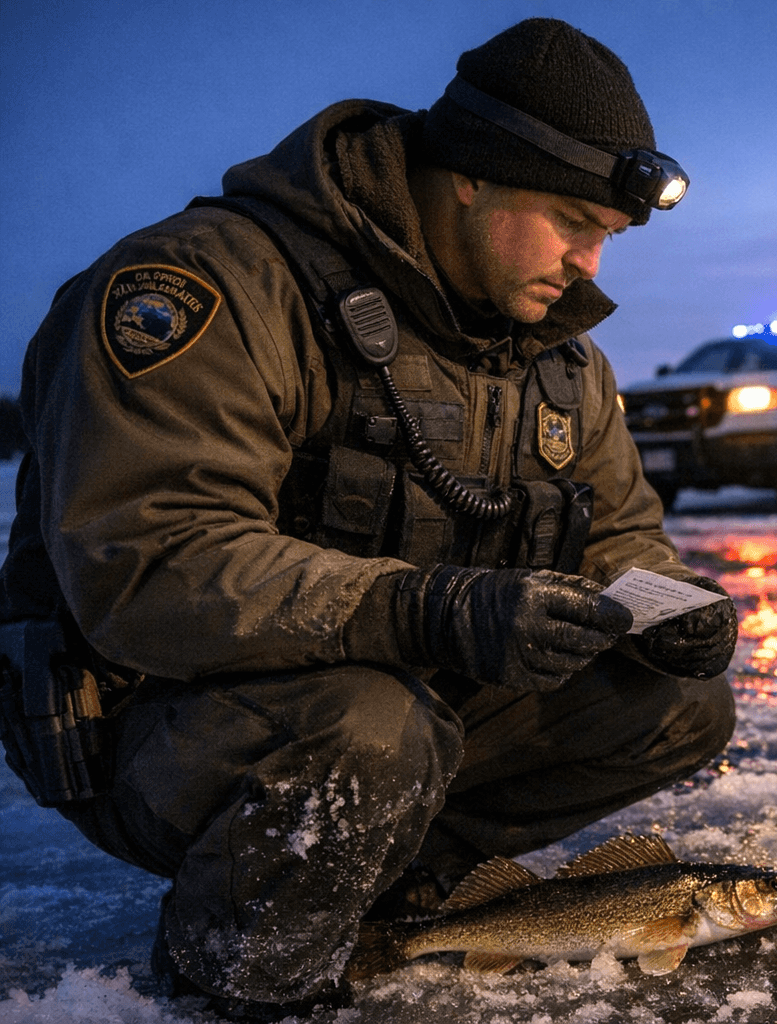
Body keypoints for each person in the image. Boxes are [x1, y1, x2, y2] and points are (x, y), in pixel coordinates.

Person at [0, 19, 737, 1019]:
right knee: (373, 727)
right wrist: (426, 609)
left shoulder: (558, 359)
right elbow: (150, 564)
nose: (588, 266)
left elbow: (615, 533)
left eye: (606, 237)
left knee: (673, 703)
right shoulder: (219, 286)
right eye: (572, 221)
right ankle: (236, 974)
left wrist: (667, 602)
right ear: (470, 173)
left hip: (401, 714)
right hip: (161, 721)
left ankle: (391, 886)